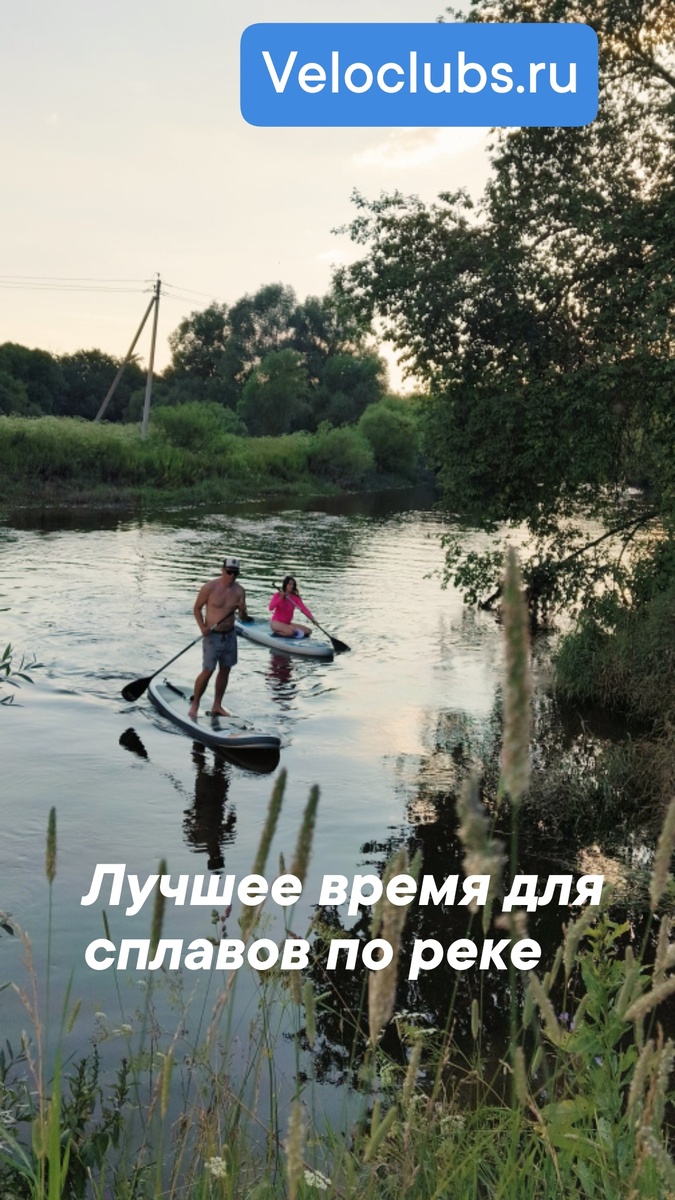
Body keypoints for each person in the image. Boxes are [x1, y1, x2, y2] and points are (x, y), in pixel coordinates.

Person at [188, 556, 250, 719]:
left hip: (230, 635)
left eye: (235, 574)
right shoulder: (209, 587)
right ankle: (195, 705)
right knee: (208, 670)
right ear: (222, 570)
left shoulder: (239, 591)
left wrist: (242, 610)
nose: (232, 576)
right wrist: (202, 627)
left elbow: (243, 617)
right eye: (229, 572)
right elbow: (196, 608)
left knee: (225, 670)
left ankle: (217, 705)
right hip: (212, 636)